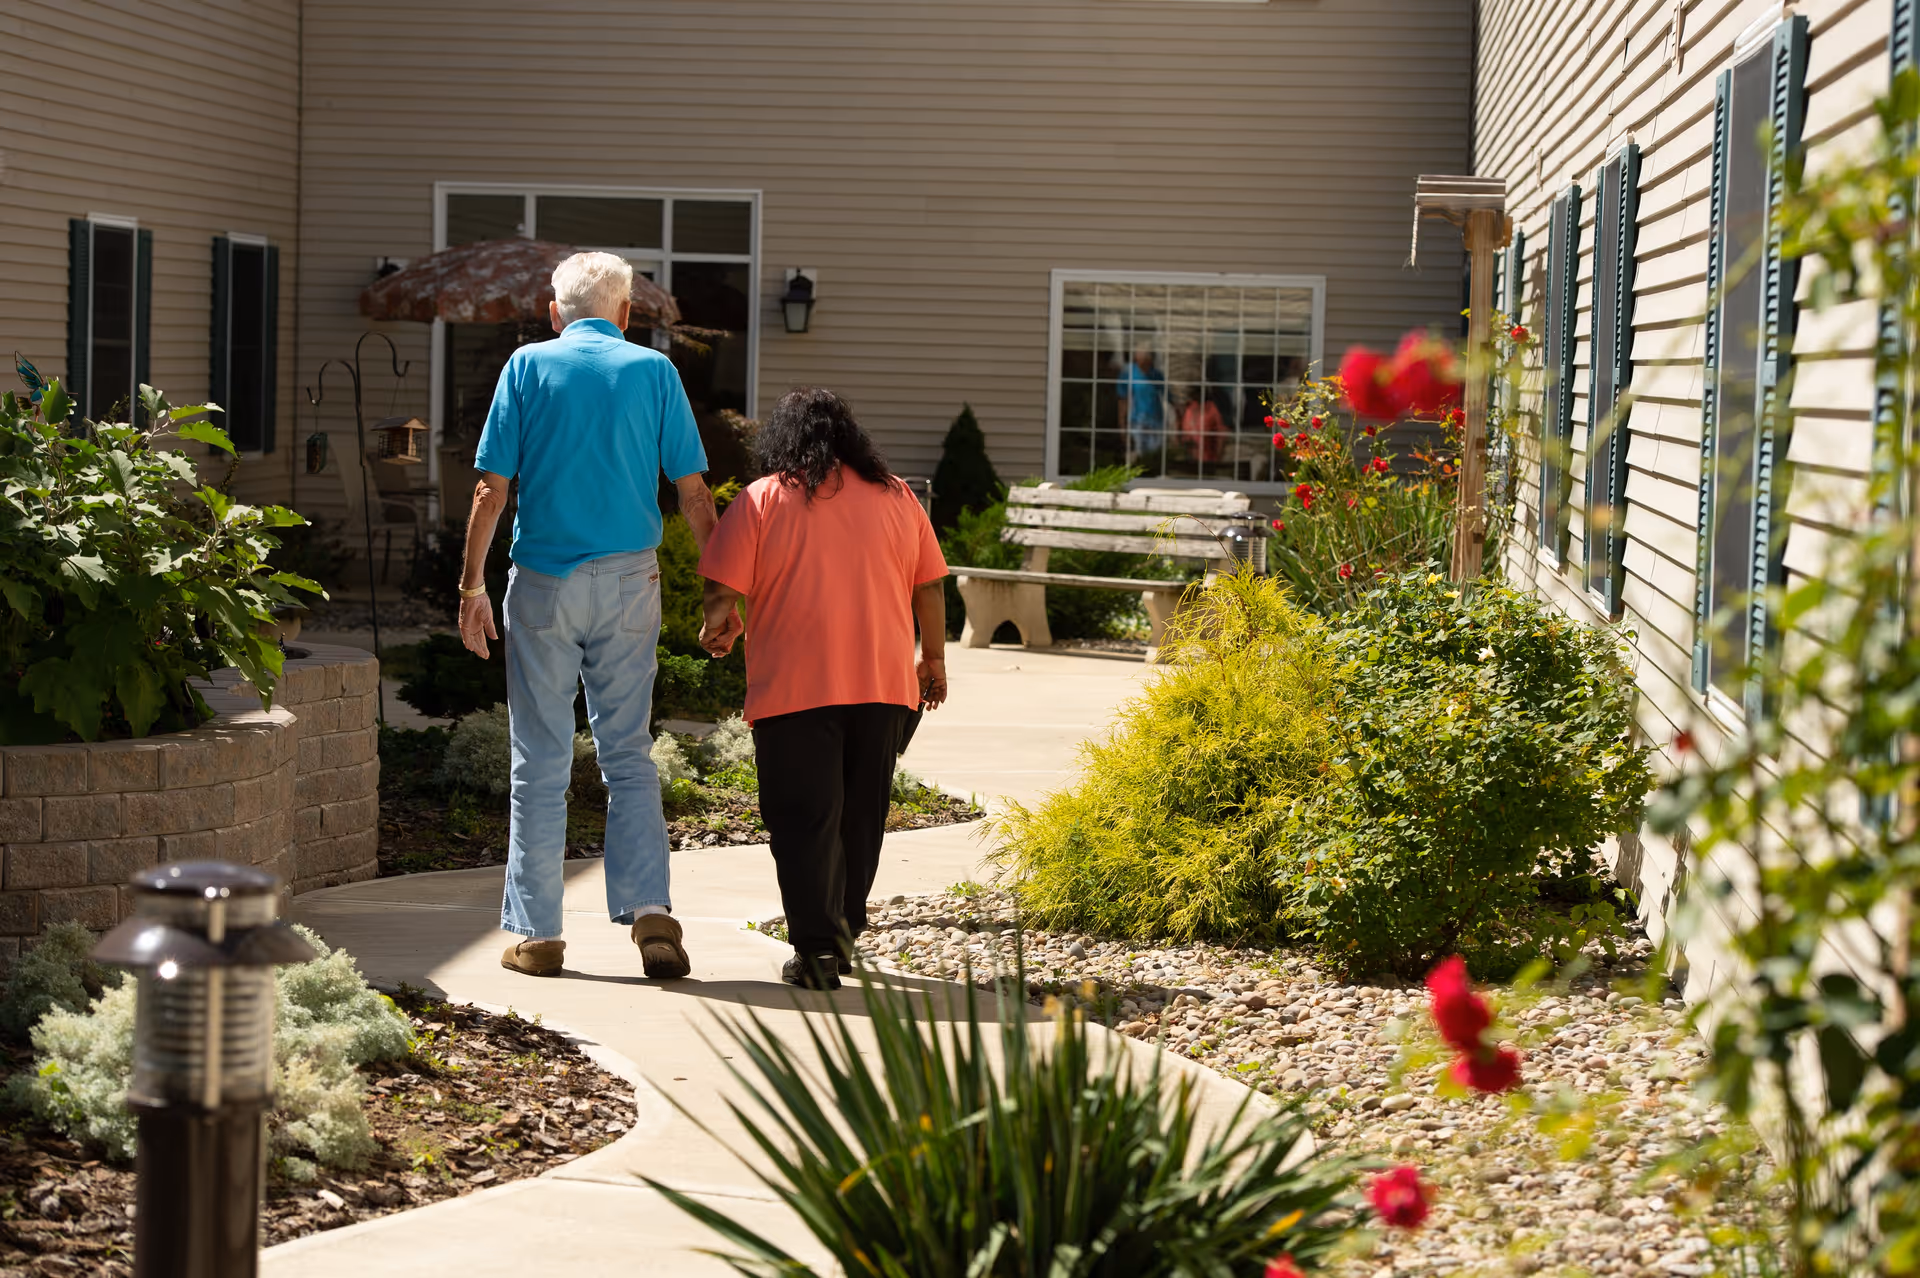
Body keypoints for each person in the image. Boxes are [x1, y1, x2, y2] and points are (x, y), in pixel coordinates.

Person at [458, 251, 717, 981]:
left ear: (553, 315)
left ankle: (539, 935)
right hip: (631, 580)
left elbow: (489, 491)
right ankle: (651, 912)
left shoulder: (527, 367)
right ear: (627, 314)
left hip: (544, 582)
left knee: (539, 759)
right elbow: (695, 496)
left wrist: (471, 585)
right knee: (628, 752)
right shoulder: (656, 373)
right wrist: (725, 592)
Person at [697, 387, 949, 990]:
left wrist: (719, 625)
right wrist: (933, 659)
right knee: (861, 818)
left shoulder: (762, 498)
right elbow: (931, 586)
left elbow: (719, 586)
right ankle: (840, 940)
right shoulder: (897, 497)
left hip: (794, 687)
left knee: (804, 819)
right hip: (884, 685)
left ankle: (814, 953)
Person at [1118, 346, 1168, 465]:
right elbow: (1123, 399)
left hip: (1155, 420)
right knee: (1137, 454)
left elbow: (1167, 394)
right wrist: (1122, 424)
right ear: (1136, 359)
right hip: (1137, 419)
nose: (1145, 366)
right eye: (1142, 363)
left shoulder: (1156, 374)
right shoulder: (1128, 373)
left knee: (1154, 455)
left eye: (1148, 363)